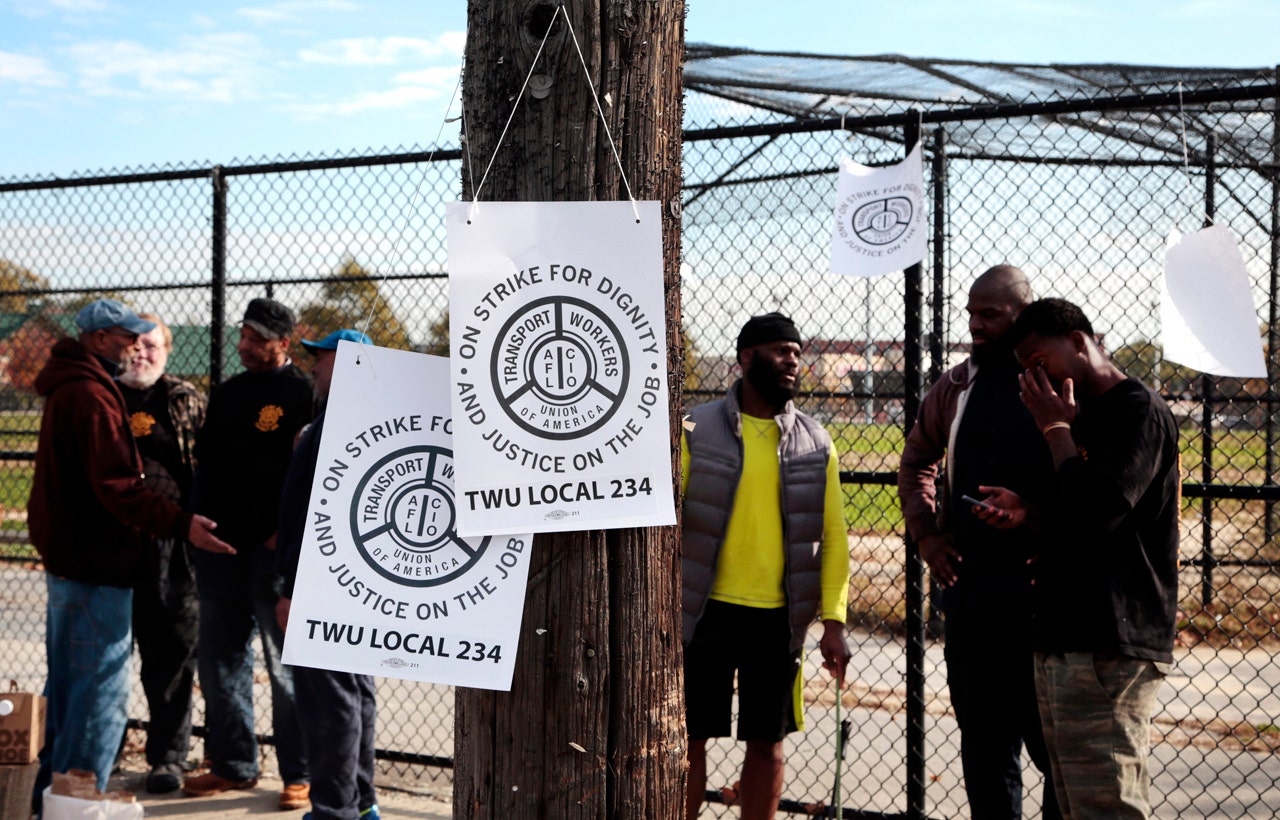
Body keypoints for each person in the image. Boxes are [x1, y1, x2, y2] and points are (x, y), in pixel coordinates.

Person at [27, 298, 232, 810]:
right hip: (97, 565)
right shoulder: (92, 395)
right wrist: (182, 522)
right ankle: (80, 799)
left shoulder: (73, 387)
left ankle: (50, 793)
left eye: (142, 337)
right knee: (100, 696)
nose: (134, 344)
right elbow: (116, 484)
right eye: (125, 335)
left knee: (72, 687)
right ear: (98, 339)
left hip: (75, 561)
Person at [980, 297, 1179, 819]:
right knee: (1070, 805)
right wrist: (1030, 513)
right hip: (1062, 635)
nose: (1033, 378)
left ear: (1077, 342)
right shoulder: (1076, 416)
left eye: (1037, 360)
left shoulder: (1138, 411)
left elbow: (1100, 512)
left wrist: (1056, 431)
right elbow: (1074, 515)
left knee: (1104, 806)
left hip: (1108, 640)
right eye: (1023, 369)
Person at [897, 266, 1060, 819]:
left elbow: (1089, 480)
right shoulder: (957, 385)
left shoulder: (1055, 384)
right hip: (969, 594)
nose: (976, 325)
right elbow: (916, 459)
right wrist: (927, 536)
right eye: (971, 313)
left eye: (989, 314)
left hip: (1041, 599)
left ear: (1023, 314)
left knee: (1054, 750)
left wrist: (1042, 522)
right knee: (985, 747)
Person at [681, 312, 852, 820]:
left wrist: (835, 622)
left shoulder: (816, 441)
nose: (792, 362)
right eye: (781, 350)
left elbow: (834, 535)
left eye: (797, 353)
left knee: (767, 743)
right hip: (701, 612)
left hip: (779, 620)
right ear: (746, 358)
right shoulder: (694, 426)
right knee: (687, 740)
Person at [183, 297, 315, 810]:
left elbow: (310, 473)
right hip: (219, 549)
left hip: (271, 555)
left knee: (285, 666)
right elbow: (206, 465)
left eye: (258, 338)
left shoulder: (302, 394)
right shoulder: (229, 393)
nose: (245, 345)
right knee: (219, 662)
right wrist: (197, 526)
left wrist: (285, 536)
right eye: (243, 335)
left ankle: (298, 773)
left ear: (284, 343)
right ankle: (233, 765)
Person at [275, 329, 380, 820]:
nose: (312, 367)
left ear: (349, 362)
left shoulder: (331, 427)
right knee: (354, 693)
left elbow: (307, 519)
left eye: (321, 358)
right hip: (356, 582)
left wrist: (291, 590)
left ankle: (334, 810)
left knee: (329, 701)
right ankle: (361, 803)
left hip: (323, 585)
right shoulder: (365, 420)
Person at [115, 312, 208, 794]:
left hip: (172, 546)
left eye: (152, 346)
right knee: (108, 656)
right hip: (112, 544)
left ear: (167, 352)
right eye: (134, 344)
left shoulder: (184, 400)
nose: (142, 353)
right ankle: (100, 751)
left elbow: (206, 468)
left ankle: (167, 758)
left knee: (171, 655)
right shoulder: (103, 396)